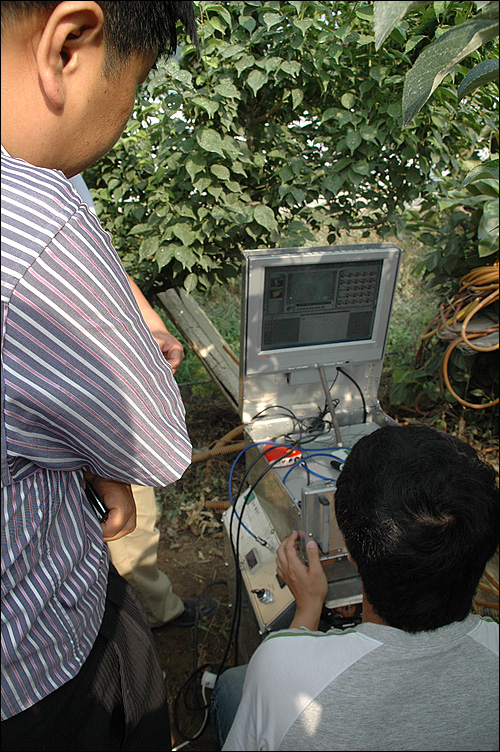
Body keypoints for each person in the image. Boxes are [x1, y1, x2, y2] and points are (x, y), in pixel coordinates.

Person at [1, 2, 199, 750]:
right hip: (43, 670)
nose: (129, 108)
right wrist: (99, 454)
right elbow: (153, 449)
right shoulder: (33, 211)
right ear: (70, 44)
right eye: (139, 83)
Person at [211, 424, 499, 751]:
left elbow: (284, 669)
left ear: (350, 550)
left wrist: (308, 607)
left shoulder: (277, 670)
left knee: (232, 686)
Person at [69, 174, 219, 628]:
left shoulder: (63, 176)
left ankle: (151, 608)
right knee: (112, 524)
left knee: (132, 519)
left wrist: (151, 323)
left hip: (101, 384)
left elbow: (100, 260)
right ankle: (134, 620)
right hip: (79, 387)